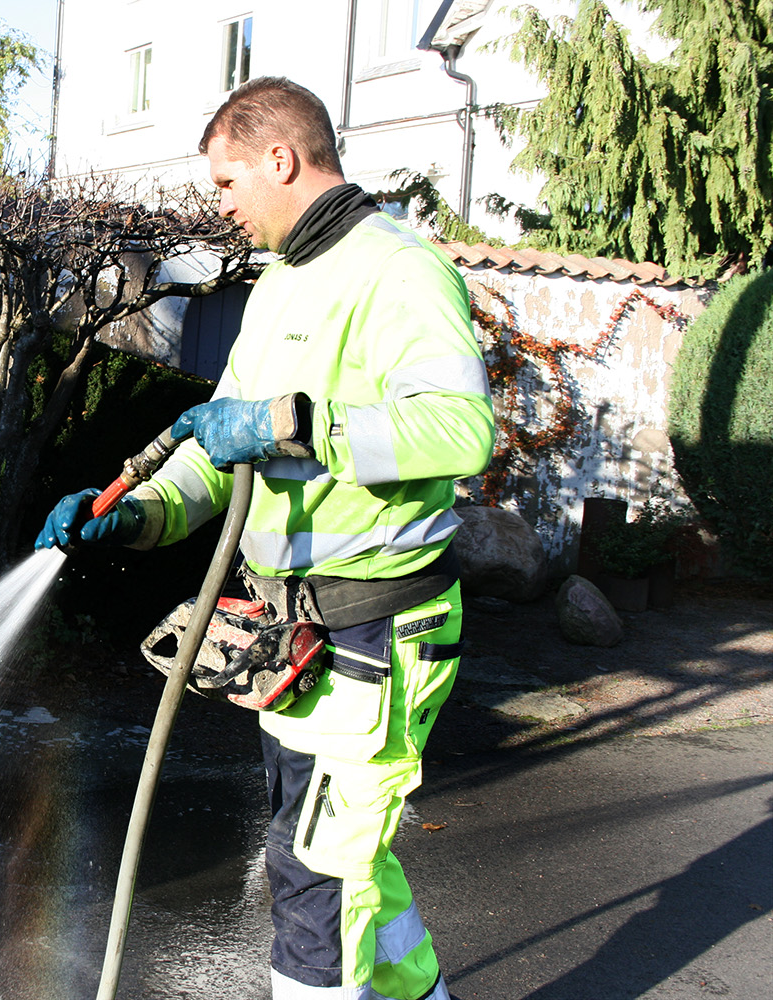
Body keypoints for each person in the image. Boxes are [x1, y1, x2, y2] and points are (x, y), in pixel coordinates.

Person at [36, 76, 495, 1000]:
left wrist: (297, 423)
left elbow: (459, 427)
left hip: (378, 634)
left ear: (280, 159)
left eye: (226, 182)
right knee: (339, 850)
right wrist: (135, 515)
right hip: (298, 642)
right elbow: (218, 448)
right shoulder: (283, 285)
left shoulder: (401, 271)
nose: (223, 207)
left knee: (316, 875)